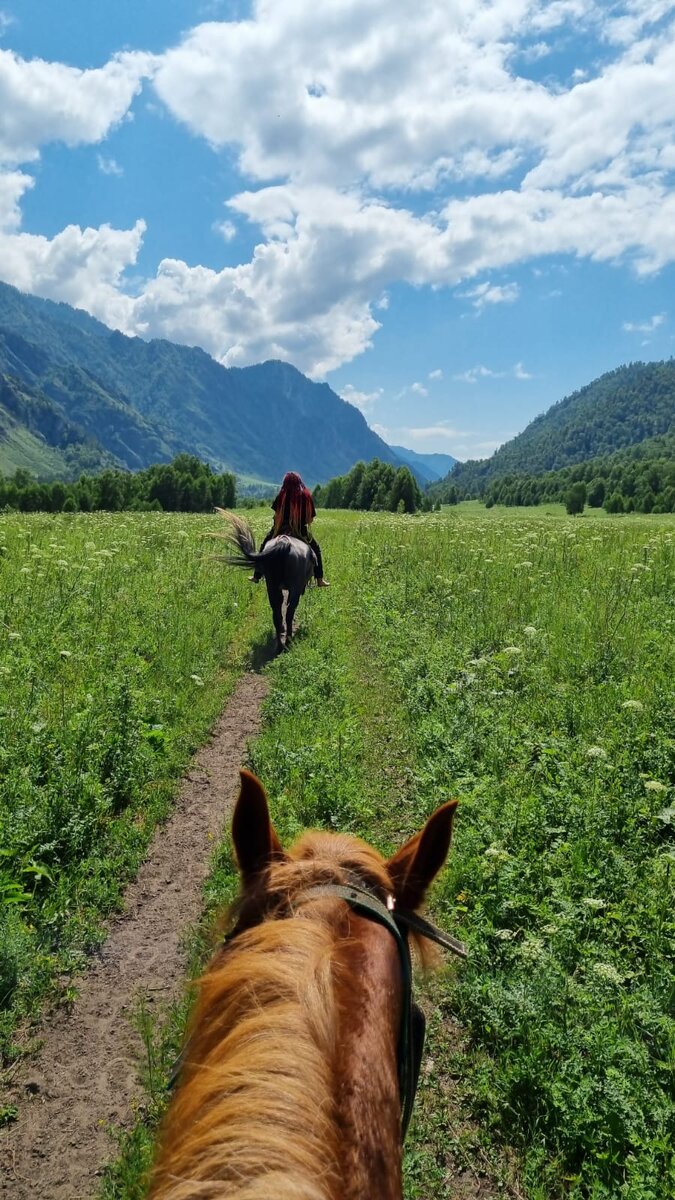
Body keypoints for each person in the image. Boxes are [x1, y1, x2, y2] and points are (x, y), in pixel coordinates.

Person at [250, 471, 329, 586]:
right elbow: (310, 520)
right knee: (316, 549)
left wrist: (277, 528)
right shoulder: (306, 496)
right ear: (299, 481)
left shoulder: (282, 495)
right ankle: (320, 580)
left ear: (285, 482)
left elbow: (277, 517)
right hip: (300, 530)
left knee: (264, 545)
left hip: (281, 528)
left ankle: (256, 575)